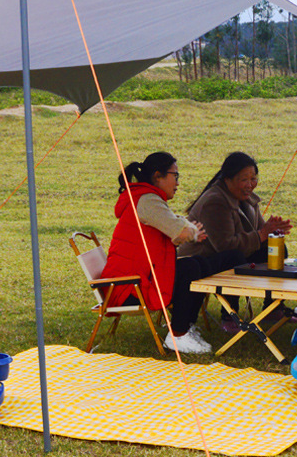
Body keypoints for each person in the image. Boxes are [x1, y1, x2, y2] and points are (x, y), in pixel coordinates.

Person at [101, 152, 243, 355]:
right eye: (175, 175)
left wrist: (186, 230)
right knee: (190, 268)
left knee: (196, 264)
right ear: (158, 176)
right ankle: (178, 335)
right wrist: (192, 231)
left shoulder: (145, 198)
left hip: (135, 280)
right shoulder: (147, 200)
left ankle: (185, 327)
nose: (177, 182)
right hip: (128, 288)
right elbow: (181, 230)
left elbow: (173, 227)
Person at [179, 151, 292, 332]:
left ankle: (273, 308)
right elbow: (224, 245)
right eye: (243, 180)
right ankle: (230, 315)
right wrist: (263, 234)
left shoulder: (247, 199)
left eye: (253, 179)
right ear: (228, 179)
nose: (250, 185)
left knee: (276, 248)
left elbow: (259, 235)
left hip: (233, 253)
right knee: (233, 257)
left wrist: (273, 233)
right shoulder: (215, 201)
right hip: (199, 261)